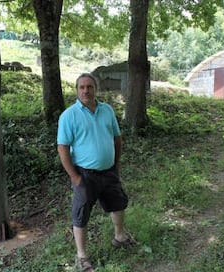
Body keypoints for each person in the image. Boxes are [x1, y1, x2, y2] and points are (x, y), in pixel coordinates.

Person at [57, 73, 134, 272]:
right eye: (82, 87)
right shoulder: (69, 115)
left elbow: (117, 139)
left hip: (109, 171)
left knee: (118, 204)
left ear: (95, 89)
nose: (86, 90)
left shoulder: (107, 110)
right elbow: (63, 148)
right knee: (81, 213)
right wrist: (74, 177)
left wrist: (116, 166)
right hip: (85, 174)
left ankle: (120, 236)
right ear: (76, 90)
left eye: (89, 86)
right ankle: (82, 256)